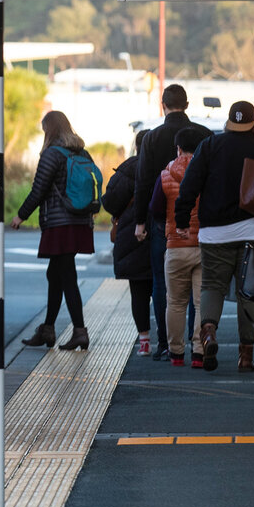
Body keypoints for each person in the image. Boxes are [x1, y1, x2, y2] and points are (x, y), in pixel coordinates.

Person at [174, 100, 254, 373]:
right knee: (249, 291)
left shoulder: (210, 146)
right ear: (253, 121)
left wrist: (181, 219)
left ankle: (209, 333)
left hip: (215, 234)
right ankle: (246, 357)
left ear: (229, 121)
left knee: (212, 286)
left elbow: (190, 185)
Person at [133, 84, 213, 360]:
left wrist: (140, 222)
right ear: (187, 104)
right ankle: (198, 344)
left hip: (163, 225)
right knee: (198, 291)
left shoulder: (152, 138)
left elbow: (143, 183)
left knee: (163, 285)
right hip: (203, 225)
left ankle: (167, 345)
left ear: (163, 105)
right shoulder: (206, 136)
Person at [11, 111, 96, 351]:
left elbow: (38, 190)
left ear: (49, 129)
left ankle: (80, 331)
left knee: (67, 277)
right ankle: (47, 329)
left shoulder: (51, 155)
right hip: (79, 221)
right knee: (55, 274)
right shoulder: (82, 152)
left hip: (60, 225)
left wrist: (20, 216)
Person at [151, 126, 208, 368]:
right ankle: (198, 352)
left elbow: (155, 208)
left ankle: (176, 353)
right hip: (204, 245)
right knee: (201, 302)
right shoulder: (208, 174)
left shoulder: (165, 175)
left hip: (175, 245)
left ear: (178, 148)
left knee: (174, 302)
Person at [102, 130, 152, 355]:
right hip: (160, 235)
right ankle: (169, 341)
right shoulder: (165, 166)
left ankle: (144, 341)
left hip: (131, 237)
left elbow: (110, 202)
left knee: (138, 291)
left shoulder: (127, 169)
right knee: (167, 291)